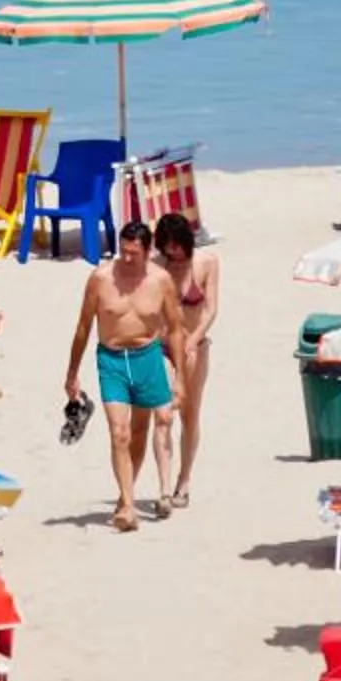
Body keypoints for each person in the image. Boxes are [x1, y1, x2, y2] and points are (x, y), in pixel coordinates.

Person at [63, 217, 178, 531]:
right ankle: (128, 506)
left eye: (134, 253)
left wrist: (178, 378)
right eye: (123, 251)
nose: (127, 259)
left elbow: (177, 330)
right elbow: (83, 328)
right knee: (119, 431)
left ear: (147, 250)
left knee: (139, 432)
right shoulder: (100, 279)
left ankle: (125, 493)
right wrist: (72, 374)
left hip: (147, 358)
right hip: (111, 360)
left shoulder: (161, 280)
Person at [151, 211, 218, 509]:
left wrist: (192, 340)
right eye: (167, 249)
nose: (173, 254)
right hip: (162, 349)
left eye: (177, 248)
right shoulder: (156, 266)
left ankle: (184, 481)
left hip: (195, 347)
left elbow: (211, 310)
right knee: (163, 414)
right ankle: (164, 489)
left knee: (190, 415)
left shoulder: (207, 263)